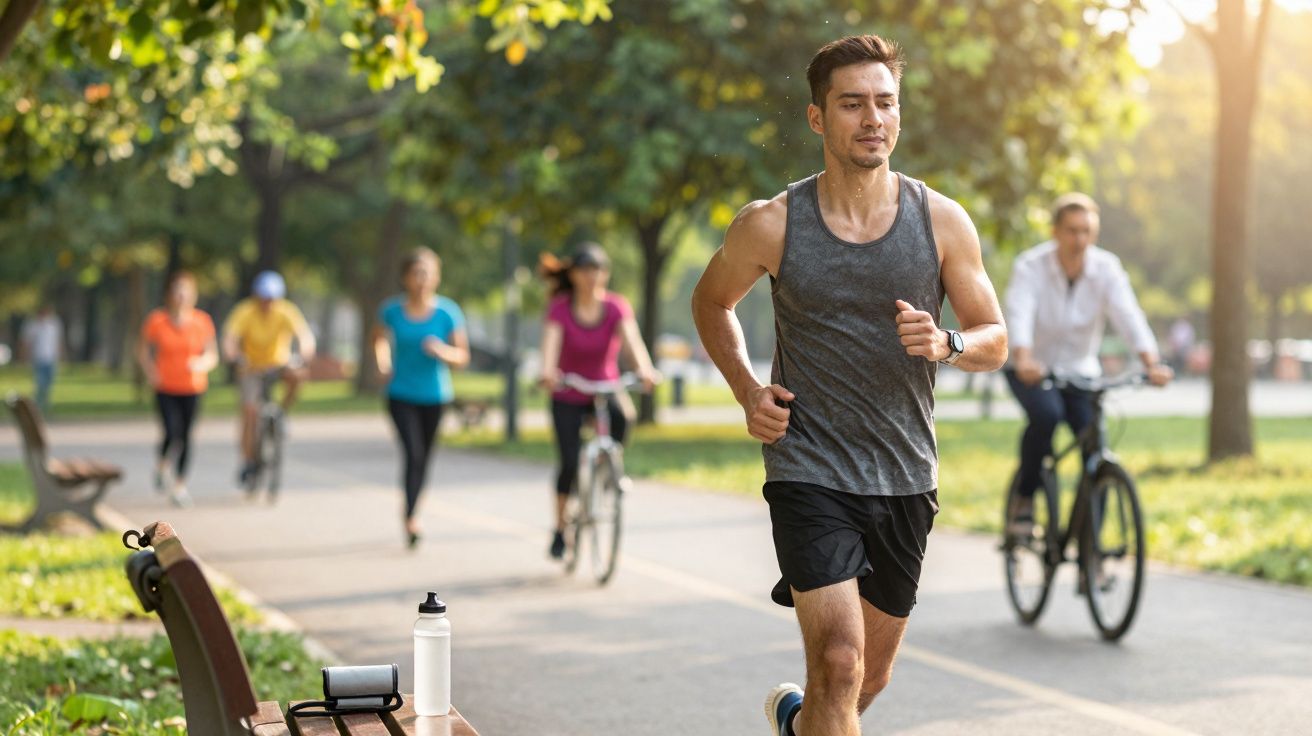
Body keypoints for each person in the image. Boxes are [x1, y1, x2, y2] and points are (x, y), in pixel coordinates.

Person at [690, 35, 1008, 736]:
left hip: (904, 471)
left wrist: (949, 342)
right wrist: (748, 389)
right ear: (816, 118)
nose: (873, 119)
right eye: (853, 104)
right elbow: (711, 302)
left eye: (885, 103)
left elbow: (995, 338)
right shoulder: (771, 223)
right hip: (809, 465)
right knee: (838, 660)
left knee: (867, 677)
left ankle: (801, 725)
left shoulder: (942, 221)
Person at [1004, 193, 1172, 531]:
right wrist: (1023, 357)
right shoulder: (1031, 266)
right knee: (1047, 416)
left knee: (1096, 449)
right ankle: (1025, 496)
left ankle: (1091, 548)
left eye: (1087, 231)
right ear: (1055, 232)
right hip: (1030, 368)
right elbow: (1019, 312)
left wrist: (1151, 362)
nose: (1080, 239)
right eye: (1072, 230)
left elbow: (1128, 315)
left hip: (1080, 371)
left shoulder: (1106, 268)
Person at [538, 243, 660, 561]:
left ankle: (605, 475)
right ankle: (559, 527)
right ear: (574, 275)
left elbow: (632, 342)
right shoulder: (561, 308)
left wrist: (644, 370)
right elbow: (550, 345)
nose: (592, 276)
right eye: (585, 270)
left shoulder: (616, 307)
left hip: (604, 388)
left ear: (605, 274)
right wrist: (548, 372)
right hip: (568, 390)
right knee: (567, 461)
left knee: (625, 418)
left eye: (598, 270)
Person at [372, 248, 470, 549]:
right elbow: (378, 340)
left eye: (427, 273)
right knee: (413, 454)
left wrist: (443, 351)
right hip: (401, 393)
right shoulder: (391, 310)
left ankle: (412, 510)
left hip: (435, 396)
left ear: (436, 277)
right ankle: (412, 518)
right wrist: (383, 362)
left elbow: (462, 357)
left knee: (424, 458)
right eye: (416, 273)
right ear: (405, 278)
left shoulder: (447, 312)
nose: (422, 279)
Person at [221, 270, 316, 489]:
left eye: (272, 298)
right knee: (250, 411)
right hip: (251, 366)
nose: (267, 303)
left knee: (298, 375)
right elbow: (230, 339)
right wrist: (234, 358)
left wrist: (303, 356)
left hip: (278, 364)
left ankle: (282, 412)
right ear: (256, 296)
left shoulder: (286, 311)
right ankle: (247, 460)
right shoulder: (245, 311)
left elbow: (305, 336)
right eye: (264, 298)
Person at [136, 271, 219, 507]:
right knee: (171, 432)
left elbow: (212, 354)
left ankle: (180, 485)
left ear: (193, 296)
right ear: (170, 295)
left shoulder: (202, 321)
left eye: (186, 292)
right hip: (166, 387)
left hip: (193, 387)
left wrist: (202, 363)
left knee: (186, 436)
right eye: (177, 291)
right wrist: (150, 372)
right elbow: (142, 350)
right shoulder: (157, 320)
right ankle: (162, 465)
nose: (181, 296)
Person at [20, 305, 62, 415]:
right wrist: (25, 357)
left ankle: (45, 404)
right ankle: (37, 406)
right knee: (40, 383)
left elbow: (57, 342)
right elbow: (26, 343)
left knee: (48, 383)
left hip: (51, 359)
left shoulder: (53, 325)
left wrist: (60, 355)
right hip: (38, 358)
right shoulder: (32, 326)